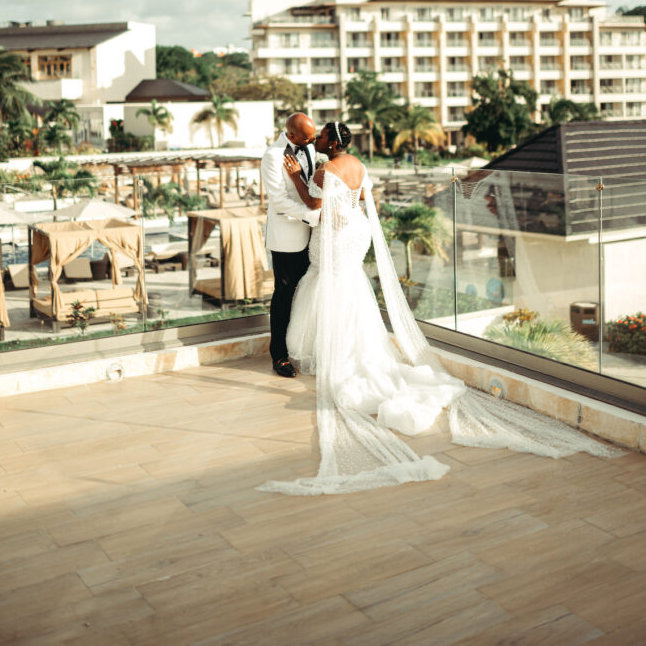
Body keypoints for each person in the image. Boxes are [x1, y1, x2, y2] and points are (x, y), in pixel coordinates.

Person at [258, 120, 619, 496]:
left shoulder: (322, 168)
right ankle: (352, 347)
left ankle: (332, 350)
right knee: (349, 286)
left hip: (334, 232)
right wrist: (338, 207)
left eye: (321, 136)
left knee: (327, 283)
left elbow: (314, 202)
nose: (317, 140)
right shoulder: (359, 165)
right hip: (354, 229)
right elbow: (362, 200)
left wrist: (300, 177)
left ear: (330, 142)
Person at [260, 112, 319, 378]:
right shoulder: (272, 156)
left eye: (313, 137)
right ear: (291, 135)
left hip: (313, 235)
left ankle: (302, 347)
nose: (312, 141)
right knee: (284, 296)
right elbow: (278, 200)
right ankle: (280, 355)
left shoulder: (308, 146)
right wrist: (314, 214)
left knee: (307, 293)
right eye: (307, 138)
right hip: (286, 237)